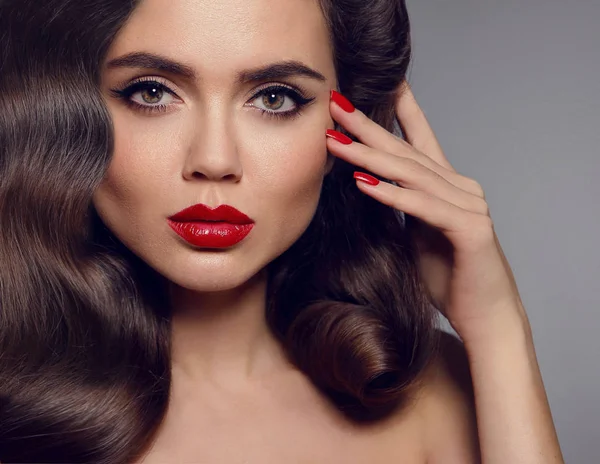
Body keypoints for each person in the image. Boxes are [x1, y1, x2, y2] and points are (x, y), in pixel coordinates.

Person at [0, 0, 564, 462]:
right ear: (64, 114)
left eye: (275, 98)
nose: (215, 159)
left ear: (343, 132)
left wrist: (495, 326)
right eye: (151, 92)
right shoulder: (16, 406)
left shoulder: (429, 392)